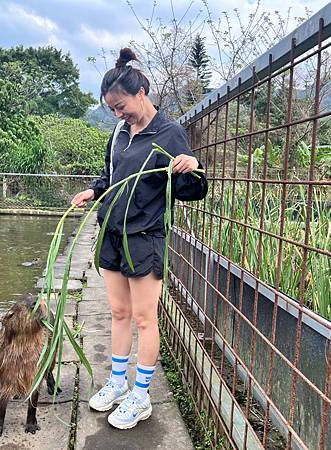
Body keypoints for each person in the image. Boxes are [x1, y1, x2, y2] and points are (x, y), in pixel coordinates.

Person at [71, 48, 207, 430]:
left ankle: (142, 394)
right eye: (112, 108)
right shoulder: (118, 132)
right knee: (118, 313)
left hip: (144, 236)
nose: (118, 114)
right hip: (112, 233)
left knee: (146, 318)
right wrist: (93, 191)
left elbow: (189, 189)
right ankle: (117, 382)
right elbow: (112, 175)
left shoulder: (169, 133)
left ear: (141, 93)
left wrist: (191, 168)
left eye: (121, 105)